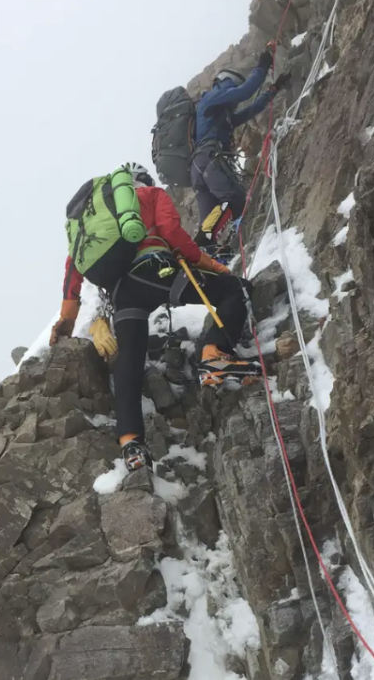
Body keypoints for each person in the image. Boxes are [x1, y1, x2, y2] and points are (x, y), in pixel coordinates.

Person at [50, 163, 258, 472]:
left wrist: (65, 322)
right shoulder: (150, 194)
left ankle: (131, 442)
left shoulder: (89, 232)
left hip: (121, 295)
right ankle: (215, 355)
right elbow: (172, 233)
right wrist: (211, 265)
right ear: (141, 181)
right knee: (232, 290)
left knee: (130, 361)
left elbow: (73, 276)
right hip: (153, 272)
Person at [192, 47, 291, 256]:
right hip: (210, 158)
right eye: (231, 88)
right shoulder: (211, 99)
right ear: (225, 82)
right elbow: (245, 91)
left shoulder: (219, 115)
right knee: (235, 198)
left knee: (210, 217)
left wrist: (272, 91)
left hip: (199, 168)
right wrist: (263, 65)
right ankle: (206, 242)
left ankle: (204, 253)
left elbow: (251, 110)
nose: (234, 101)